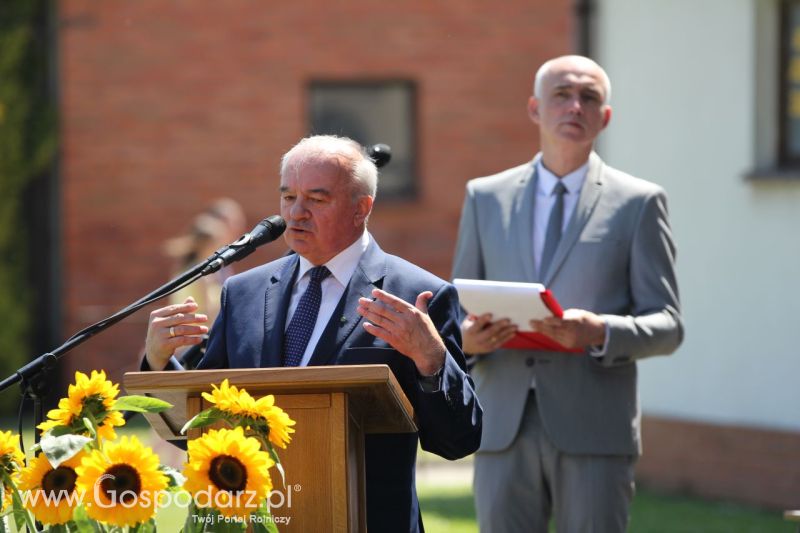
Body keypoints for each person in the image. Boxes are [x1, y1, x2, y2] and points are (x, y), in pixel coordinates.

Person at [144, 135, 482, 532]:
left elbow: (457, 440)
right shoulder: (244, 294)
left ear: (362, 208)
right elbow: (204, 427)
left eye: (317, 200)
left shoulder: (415, 295)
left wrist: (431, 361)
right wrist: (160, 361)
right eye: (288, 197)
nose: (296, 213)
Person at [451, 55, 683, 532]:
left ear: (605, 117)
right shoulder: (484, 198)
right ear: (536, 109)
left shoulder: (639, 203)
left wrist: (599, 331)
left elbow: (668, 325)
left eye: (589, 97)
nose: (575, 106)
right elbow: (458, 312)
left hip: (595, 429)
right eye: (562, 95)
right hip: (502, 427)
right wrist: (466, 342)